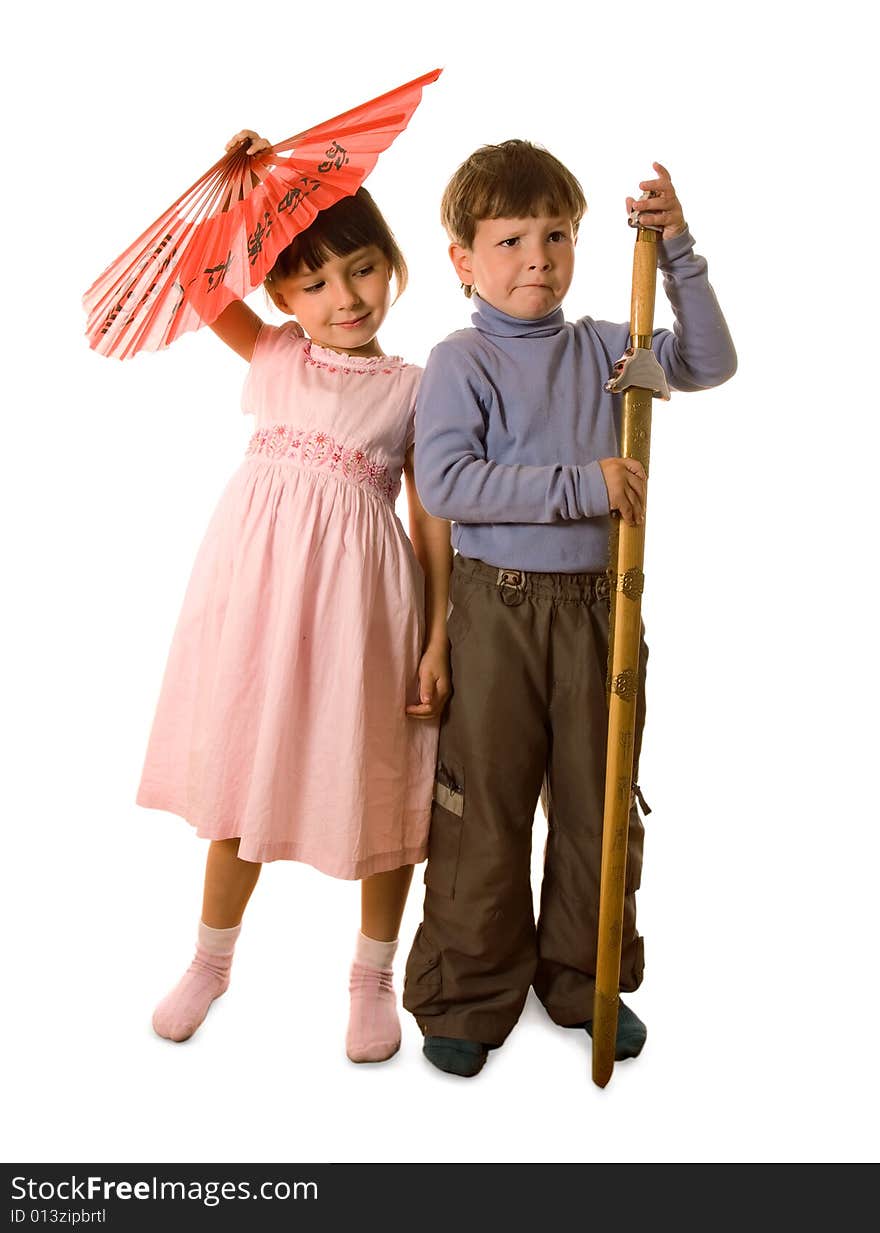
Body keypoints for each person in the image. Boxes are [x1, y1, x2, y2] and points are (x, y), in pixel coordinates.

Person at [402, 142, 736, 1077]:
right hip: (496, 610)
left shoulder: (608, 347)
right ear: (463, 259)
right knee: (486, 804)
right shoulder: (460, 360)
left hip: (599, 606)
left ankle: (585, 976)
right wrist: (579, 485)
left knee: (599, 799)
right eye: (508, 240)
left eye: (556, 235)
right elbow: (450, 480)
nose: (537, 258)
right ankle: (468, 989)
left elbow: (710, 362)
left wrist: (676, 252)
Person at [137, 129, 452, 1064]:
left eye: (361, 271)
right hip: (258, 599)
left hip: (363, 613)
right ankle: (210, 959)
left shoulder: (416, 387)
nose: (344, 298)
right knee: (243, 768)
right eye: (314, 284)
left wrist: (437, 639)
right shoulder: (272, 352)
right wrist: (242, 182)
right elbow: (197, 279)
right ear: (280, 295)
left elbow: (431, 526)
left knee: (384, 776)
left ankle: (371, 974)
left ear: (392, 266)